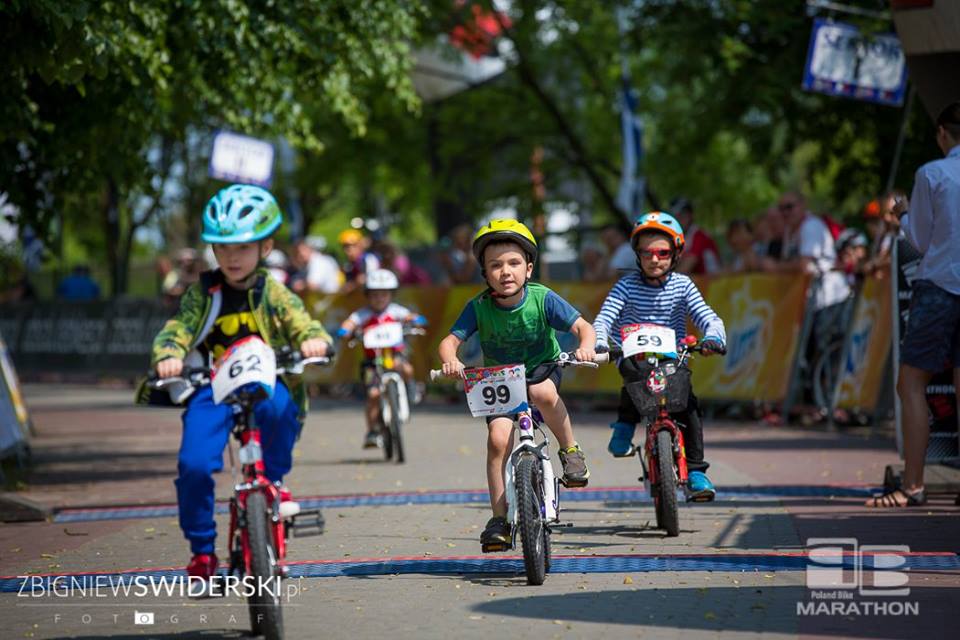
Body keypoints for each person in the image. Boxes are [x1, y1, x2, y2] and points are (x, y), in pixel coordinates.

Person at [137, 184, 333, 579]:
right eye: (223, 247)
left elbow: (302, 322)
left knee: (280, 410)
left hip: (266, 379)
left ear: (265, 247)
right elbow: (177, 328)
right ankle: (202, 551)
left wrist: (315, 340)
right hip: (214, 385)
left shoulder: (273, 291)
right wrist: (169, 356)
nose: (232, 256)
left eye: (243, 247)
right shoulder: (203, 293)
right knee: (193, 464)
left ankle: (274, 483)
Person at [437, 219, 595, 550]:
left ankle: (570, 450)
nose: (505, 271)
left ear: (529, 268)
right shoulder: (478, 307)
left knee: (541, 393)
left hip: (542, 369)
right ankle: (498, 518)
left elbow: (583, 327)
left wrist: (586, 345)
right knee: (497, 441)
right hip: (499, 379)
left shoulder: (543, 298)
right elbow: (450, 341)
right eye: (495, 265)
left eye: (514, 263)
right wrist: (450, 359)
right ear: (484, 272)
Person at [594, 211, 726, 501]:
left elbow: (707, 317)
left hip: (672, 358)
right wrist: (600, 342)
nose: (654, 259)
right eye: (646, 253)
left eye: (662, 252)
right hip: (634, 354)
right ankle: (625, 425)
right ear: (637, 255)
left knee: (688, 407)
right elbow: (604, 319)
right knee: (633, 377)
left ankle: (696, 471)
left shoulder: (683, 285)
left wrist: (714, 337)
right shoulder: (625, 286)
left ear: (676, 253)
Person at [867, 102, 960, 508]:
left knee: (911, 384)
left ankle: (914, 484)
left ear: (943, 133)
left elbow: (919, 240)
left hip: (940, 286)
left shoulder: (933, 173)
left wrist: (902, 215)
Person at [336, 269, 426, 449]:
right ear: (368, 296)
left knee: (406, 369)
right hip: (372, 362)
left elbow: (410, 317)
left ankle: (411, 390)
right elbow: (350, 322)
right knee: (373, 394)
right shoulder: (363, 314)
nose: (379, 298)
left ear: (391, 295)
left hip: (394, 355)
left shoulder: (396, 310)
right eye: (375, 295)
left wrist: (416, 320)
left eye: (384, 294)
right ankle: (372, 431)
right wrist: (346, 330)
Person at [671, 198, 720, 275]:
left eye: (683, 215)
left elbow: (684, 269)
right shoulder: (680, 237)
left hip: (711, 283)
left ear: (691, 216)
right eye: (675, 216)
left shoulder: (700, 236)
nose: (679, 219)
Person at [338, 228, 380, 293]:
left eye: (352, 246)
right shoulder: (348, 264)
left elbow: (370, 280)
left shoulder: (369, 259)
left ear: (360, 245)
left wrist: (352, 285)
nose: (348, 250)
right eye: (345, 247)